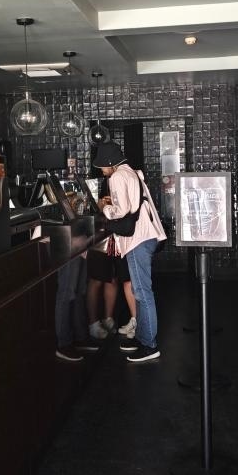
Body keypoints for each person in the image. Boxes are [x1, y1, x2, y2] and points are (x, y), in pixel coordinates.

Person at [93, 142, 166, 363]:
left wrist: (104, 207)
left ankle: (149, 346)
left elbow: (121, 211)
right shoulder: (132, 173)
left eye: (102, 166)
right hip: (147, 236)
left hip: (137, 240)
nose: (101, 170)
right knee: (140, 291)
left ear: (109, 162)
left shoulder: (116, 177)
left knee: (142, 293)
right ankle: (143, 338)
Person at [86, 238, 136, 340]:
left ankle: (108, 319)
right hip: (99, 240)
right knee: (96, 279)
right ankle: (93, 324)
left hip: (120, 239)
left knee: (114, 278)